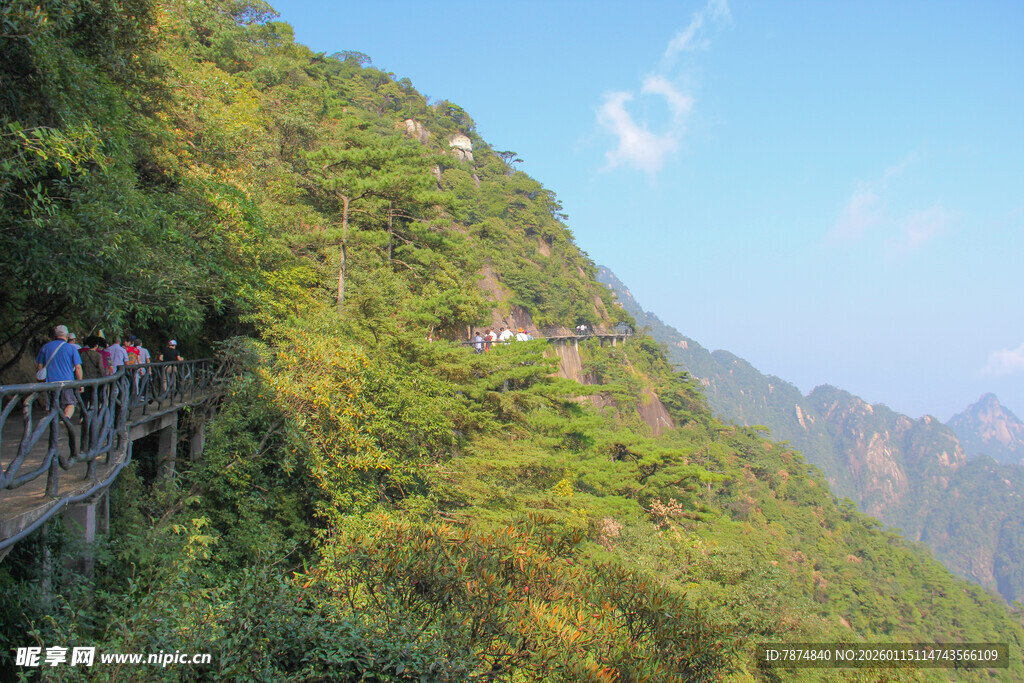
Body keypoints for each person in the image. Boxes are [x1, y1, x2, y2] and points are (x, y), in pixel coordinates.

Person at [35, 325, 83, 419]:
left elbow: (39, 366)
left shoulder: (45, 347)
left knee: (52, 405)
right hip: (67, 381)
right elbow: (78, 367)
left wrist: (41, 380)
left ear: (55, 335)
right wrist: (80, 383)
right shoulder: (71, 348)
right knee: (70, 403)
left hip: (50, 382)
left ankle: (54, 423)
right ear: (66, 336)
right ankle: (65, 419)